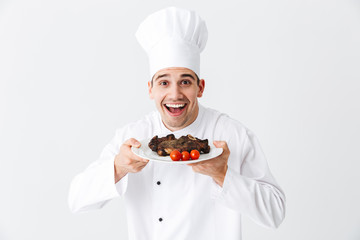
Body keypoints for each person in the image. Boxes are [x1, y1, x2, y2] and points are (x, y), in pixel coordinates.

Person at [68, 6, 286, 240]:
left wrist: (224, 175)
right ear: (150, 89)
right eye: (164, 83)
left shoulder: (231, 134)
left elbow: (275, 213)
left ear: (200, 87)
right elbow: (76, 200)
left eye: (185, 82)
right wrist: (119, 167)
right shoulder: (133, 137)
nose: (175, 94)